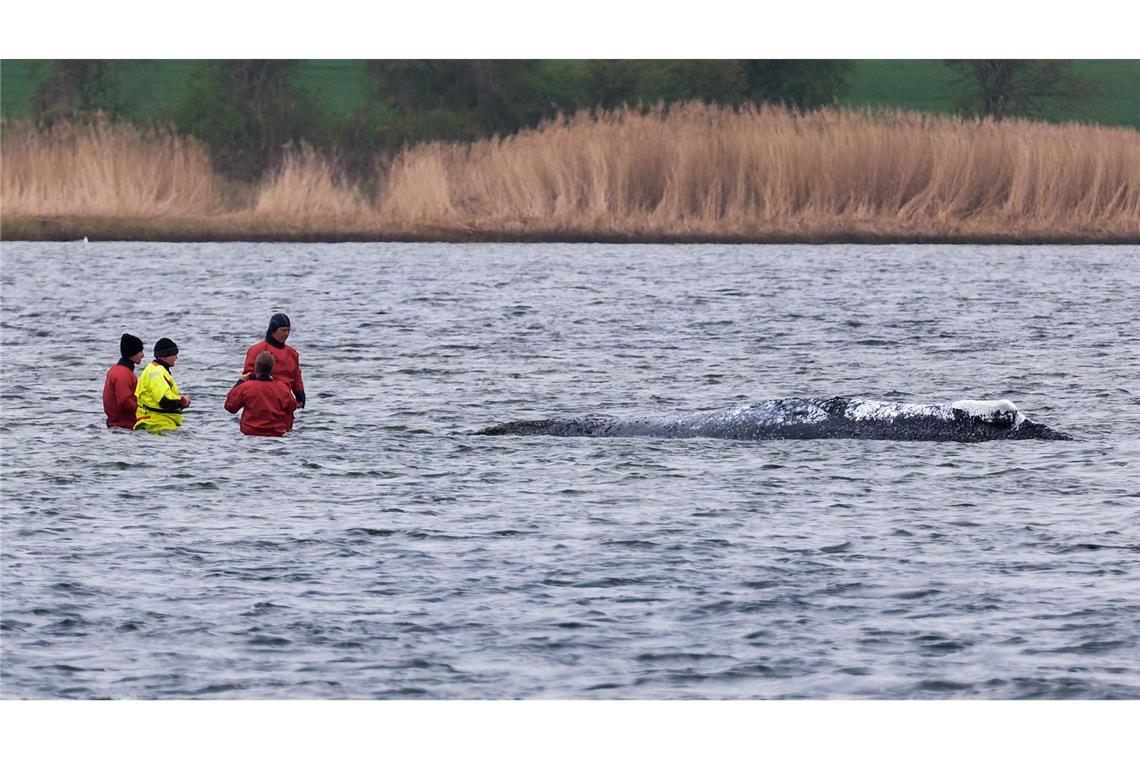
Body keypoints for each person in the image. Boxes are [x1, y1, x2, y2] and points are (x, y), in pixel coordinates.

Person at [225, 350, 298, 436]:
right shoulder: (282, 388)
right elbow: (292, 406)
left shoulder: (246, 387)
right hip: (275, 434)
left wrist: (240, 381)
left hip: (250, 434)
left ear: (256, 367)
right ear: (272, 369)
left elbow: (230, 406)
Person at [244, 313, 305, 408]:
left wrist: (300, 395)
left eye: (288, 330)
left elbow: (296, 377)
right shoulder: (256, 350)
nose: (286, 334)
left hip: (285, 401)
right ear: (273, 331)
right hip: (261, 400)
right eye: (283, 330)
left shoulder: (292, 353)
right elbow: (248, 376)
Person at [134, 338, 190, 433]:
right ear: (166, 355)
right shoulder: (157, 372)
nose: (176, 357)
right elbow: (164, 400)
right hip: (158, 425)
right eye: (174, 354)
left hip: (157, 422)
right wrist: (182, 401)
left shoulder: (153, 369)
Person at [103, 333, 145, 429]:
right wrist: (144, 412)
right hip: (124, 427)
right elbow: (125, 401)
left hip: (118, 425)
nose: (143, 355)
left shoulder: (117, 370)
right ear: (132, 352)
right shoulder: (123, 374)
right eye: (140, 351)